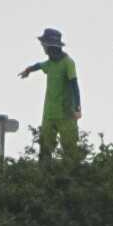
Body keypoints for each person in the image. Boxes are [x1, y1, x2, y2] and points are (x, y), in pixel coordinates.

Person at [18, 27, 81, 160]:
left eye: (44, 45)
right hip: (49, 114)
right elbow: (39, 65)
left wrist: (77, 108)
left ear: (49, 46)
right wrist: (28, 70)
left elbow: (74, 85)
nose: (43, 47)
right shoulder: (50, 63)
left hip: (66, 114)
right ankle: (45, 172)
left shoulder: (68, 63)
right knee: (45, 151)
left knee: (70, 151)